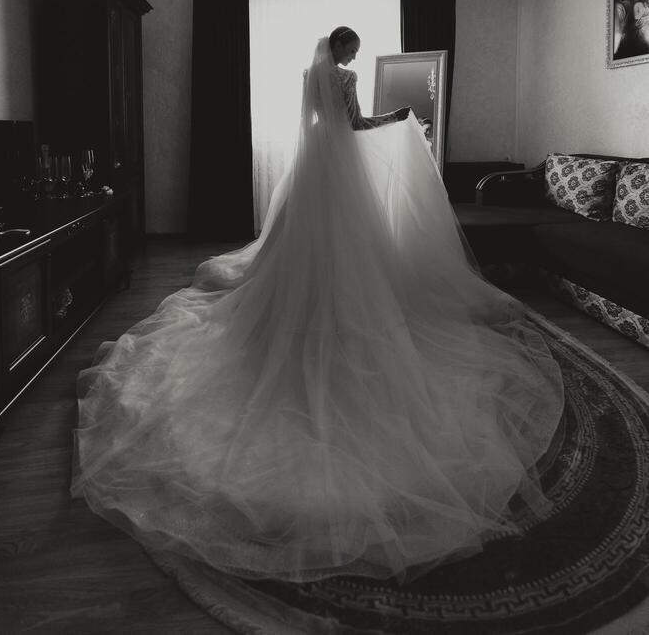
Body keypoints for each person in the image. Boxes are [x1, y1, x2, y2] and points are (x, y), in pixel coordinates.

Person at [72, 28, 564, 585]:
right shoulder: (347, 78)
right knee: (356, 248)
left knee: (301, 249)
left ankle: (298, 304)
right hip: (341, 173)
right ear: (347, 50)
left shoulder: (311, 78)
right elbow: (354, 125)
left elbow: (317, 125)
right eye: (354, 49)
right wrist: (399, 118)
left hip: (313, 172)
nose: (354, 57)